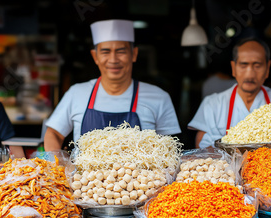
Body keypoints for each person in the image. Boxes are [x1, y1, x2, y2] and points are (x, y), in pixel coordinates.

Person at [44, 19, 181, 151]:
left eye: (121, 51)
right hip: (84, 175)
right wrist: (60, 164)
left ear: (134, 54)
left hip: (139, 175)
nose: (113, 59)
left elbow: (169, 147)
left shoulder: (159, 97)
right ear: (95, 57)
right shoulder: (76, 93)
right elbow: (53, 134)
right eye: (105, 52)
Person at [188, 37, 271, 148]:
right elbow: (201, 148)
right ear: (233, 68)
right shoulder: (212, 104)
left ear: (267, 68)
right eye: (243, 65)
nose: (250, 74)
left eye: (257, 65)